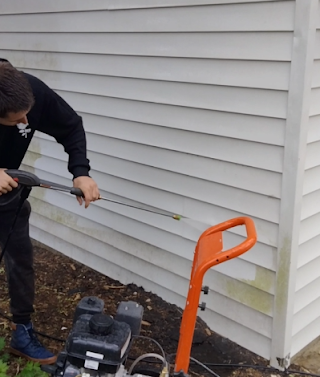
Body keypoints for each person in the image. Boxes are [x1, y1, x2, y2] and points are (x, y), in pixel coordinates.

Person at [0, 58, 100, 365]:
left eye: (28, 114)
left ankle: (22, 332)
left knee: (20, 259)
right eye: (18, 121)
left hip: (7, 197)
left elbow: (71, 126)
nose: (28, 123)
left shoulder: (31, 91)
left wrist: (80, 171)